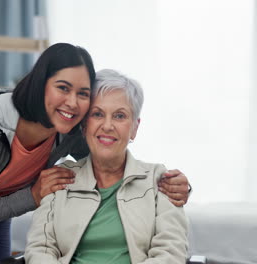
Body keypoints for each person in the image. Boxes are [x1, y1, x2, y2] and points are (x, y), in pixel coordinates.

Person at [0, 43, 189, 264]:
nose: (72, 103)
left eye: (83, 94)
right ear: (41, 84)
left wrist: (174, 184)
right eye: (63, 87)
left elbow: (111, 148)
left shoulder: (72, 129)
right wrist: (33, 196)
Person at [25, 69, 188, 263]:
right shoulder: (59, 178)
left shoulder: (160, 181)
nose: (108, 125)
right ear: (84, 125)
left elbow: (170, 253)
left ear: (134, 128)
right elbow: (40, 250)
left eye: (119, 116)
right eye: (97, 114)